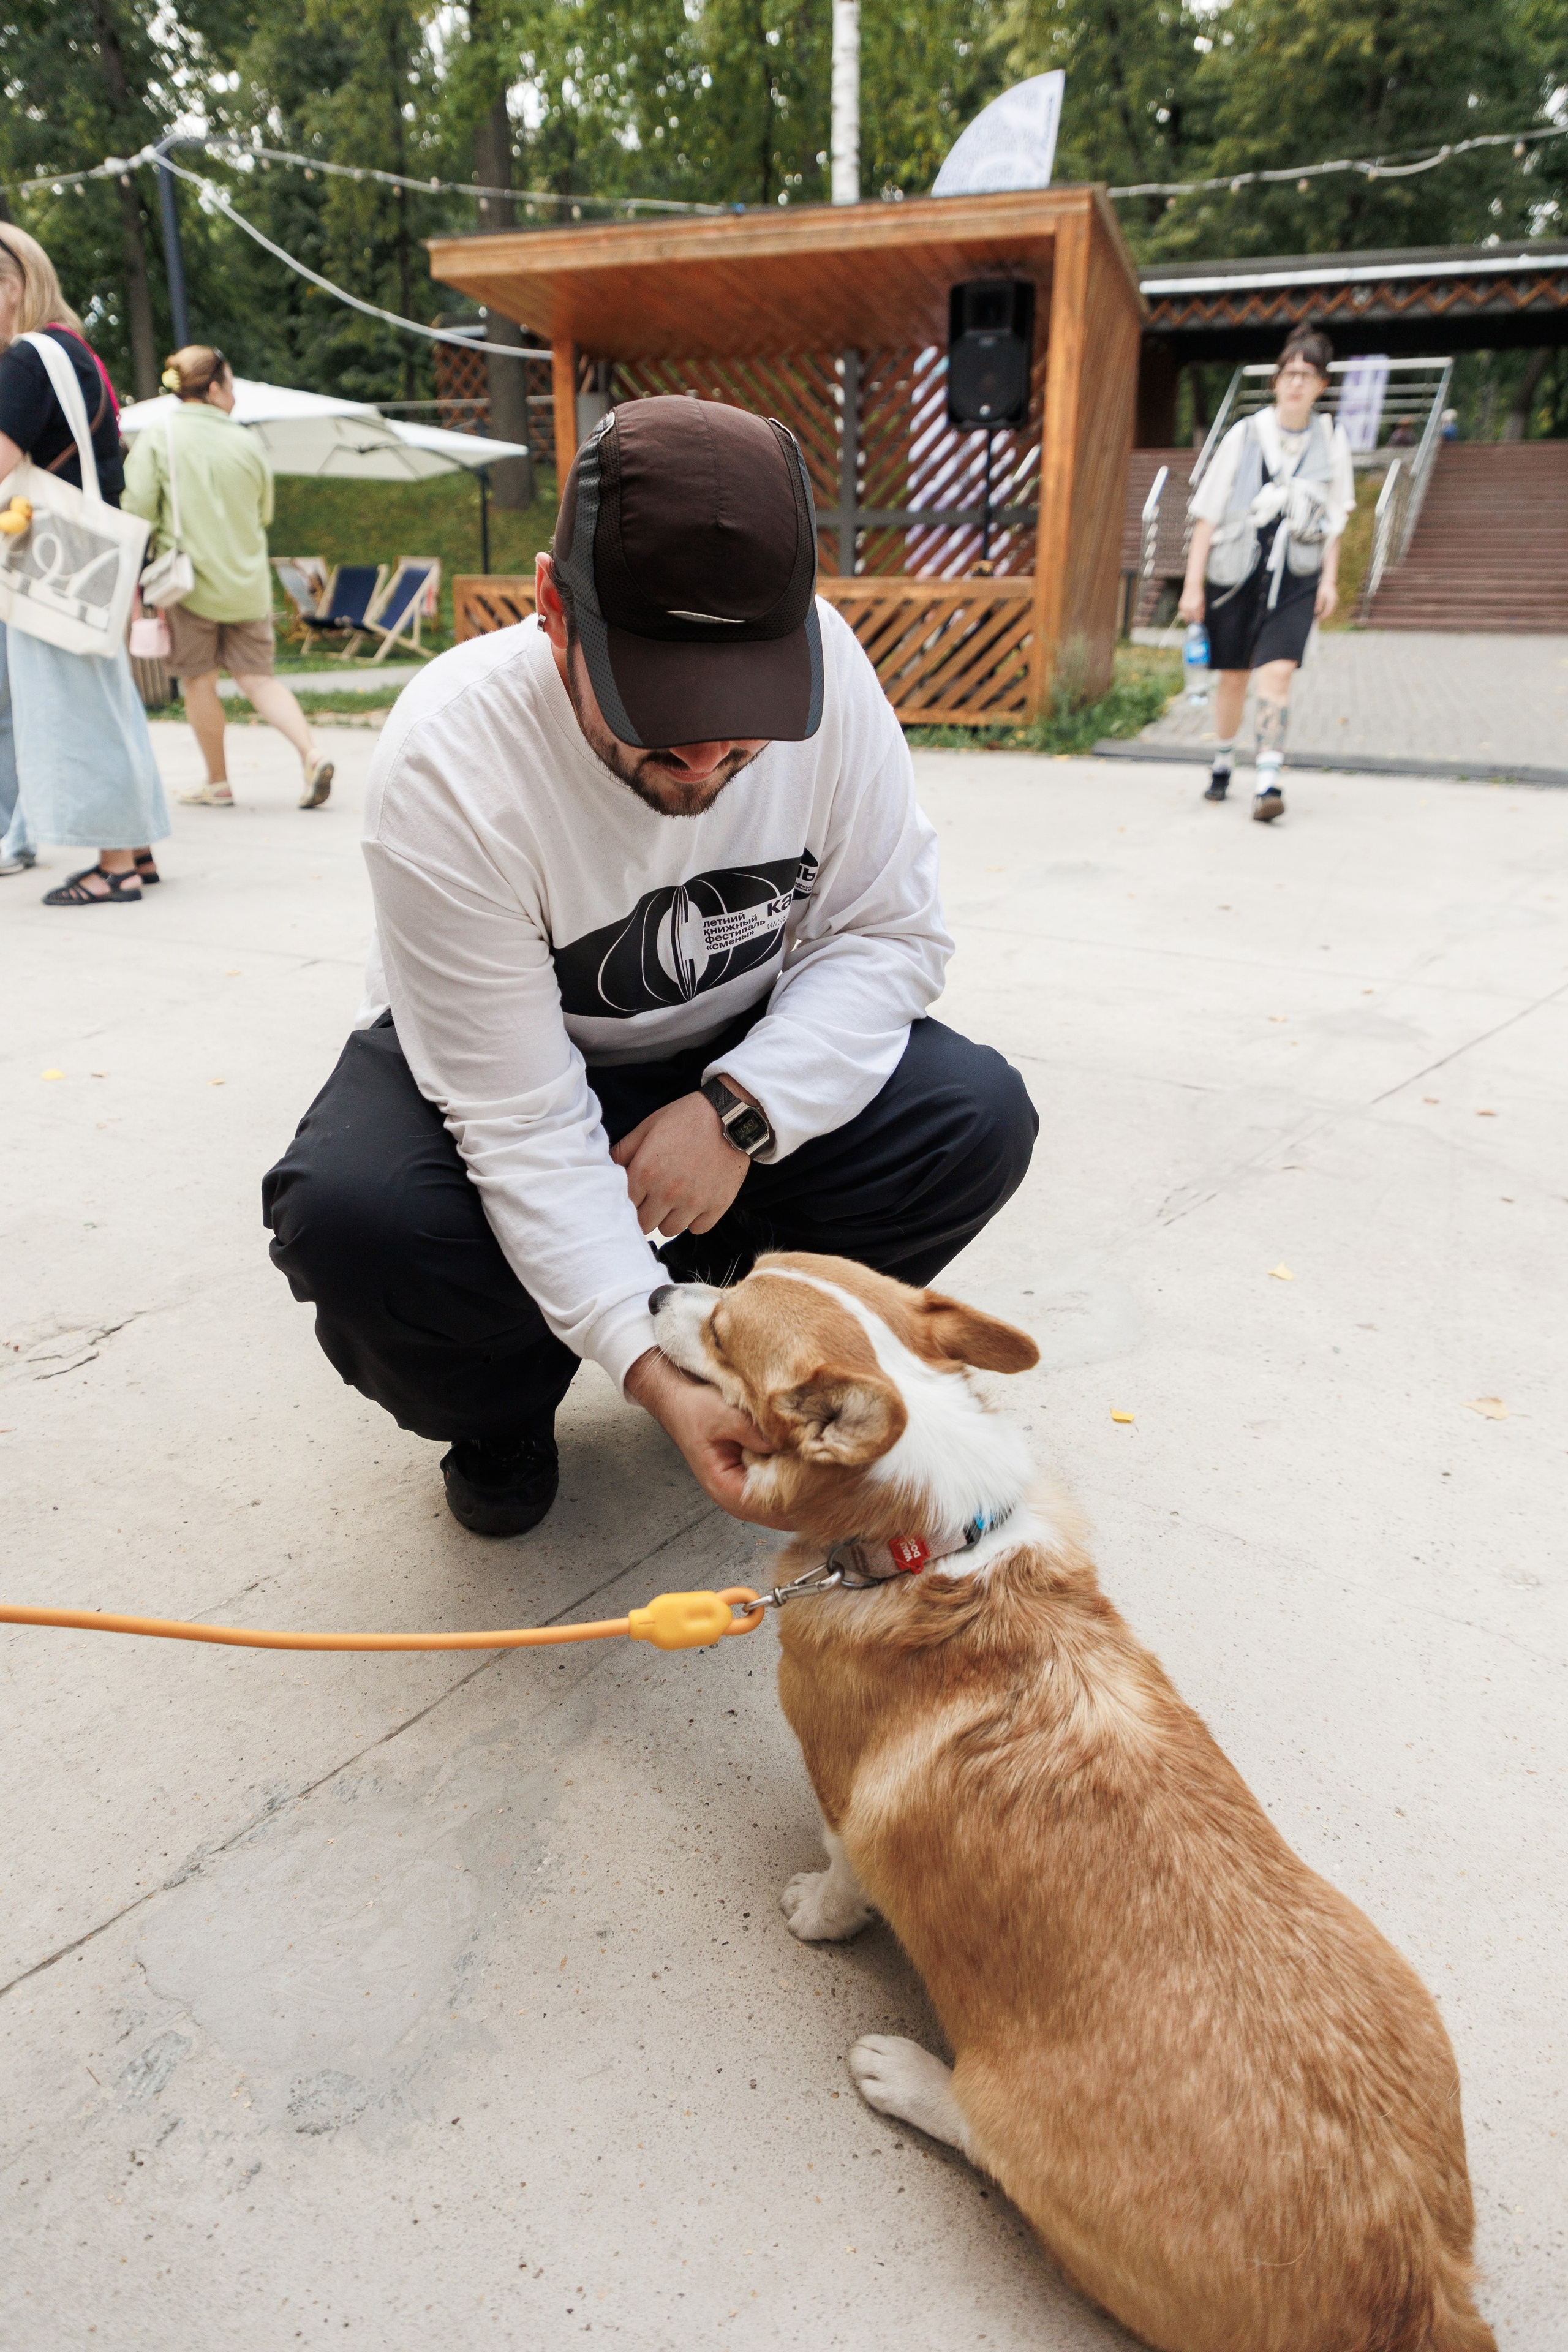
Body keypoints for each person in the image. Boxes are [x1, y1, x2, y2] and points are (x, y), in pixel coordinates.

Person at [263, 396, 1037, 1539]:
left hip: (729, 1046)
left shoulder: (837, 678)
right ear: (551, 611)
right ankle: (507, 1405)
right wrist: (641, 1368)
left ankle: (721, 1326)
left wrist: (740, 1111)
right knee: (356, 1220)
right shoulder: (452, 752)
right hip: (511, 1059)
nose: (708, 759)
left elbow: (888, 934)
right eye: (663, 719)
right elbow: (519, 1116)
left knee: (972, 1116)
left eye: (746, 724)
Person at [0, 224, 168, 902]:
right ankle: (137, 848)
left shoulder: (23, 360)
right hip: (93, 554)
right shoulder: (76, 352)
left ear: (9, 288)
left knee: (75, 708)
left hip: (52, 557)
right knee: (108, 701)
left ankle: (116, 865)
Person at [123, 347, 334, 812]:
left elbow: (136, 506)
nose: (235, 396)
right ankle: (311, 753)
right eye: (232, 386)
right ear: (214, 388)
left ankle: (217, 782)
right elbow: (263, 513)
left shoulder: (160, 436)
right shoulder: (247, 443)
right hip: (248, 585)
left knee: (199, 682)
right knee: (259, 680)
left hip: (190, 584)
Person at [1178, 326, 1354, 825]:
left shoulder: (1331, 439)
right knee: (1233, 678)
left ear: (1321, 385)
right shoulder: (1245, 434)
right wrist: (1193, 586)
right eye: (1289, 374)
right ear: (1276, 382)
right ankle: (1223, 758)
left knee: (1276, 674)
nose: (1296, 384)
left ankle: (1269, 780)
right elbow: (1208, 513)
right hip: (1236, 572)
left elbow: (1336, 517)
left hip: (1297, 574)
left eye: (1307, 375)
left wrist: (1329, 579)